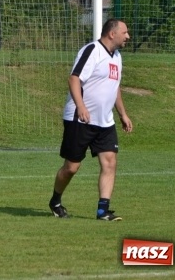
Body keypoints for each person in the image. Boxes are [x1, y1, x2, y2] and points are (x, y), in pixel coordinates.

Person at [49, 18, 133, 221]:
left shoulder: (117, 57)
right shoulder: (92, 50)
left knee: (110, 162)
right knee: (71, 167)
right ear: (112, 33)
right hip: (80, 120)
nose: (128, 37)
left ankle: (103, 211)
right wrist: (81, 106)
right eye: (125, 32)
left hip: (105, 122)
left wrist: (122, 114)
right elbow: (74, 78)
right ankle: (55, 201)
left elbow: (115, 87)